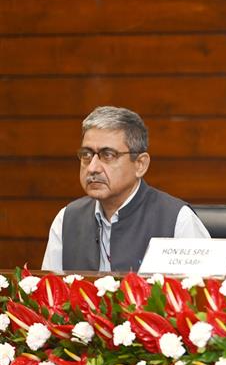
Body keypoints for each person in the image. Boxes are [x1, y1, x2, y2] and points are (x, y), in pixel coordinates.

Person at [41, 106, 210, 272]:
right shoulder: (67, 219)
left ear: (140, 164)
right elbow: (48, 294)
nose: (92, 168)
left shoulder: (178, 220)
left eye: (108, 155)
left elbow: (204, 294)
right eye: (86, 154)